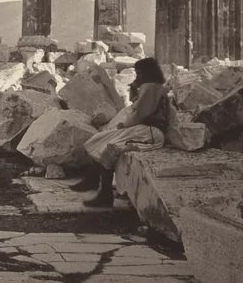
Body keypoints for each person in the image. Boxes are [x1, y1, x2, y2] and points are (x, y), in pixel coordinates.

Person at [71, 57, 171, 207]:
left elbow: (140, 115)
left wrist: (123, 126)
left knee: (109, 146)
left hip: (149, 133)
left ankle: (103, 194)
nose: (138, 76)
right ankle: (93, 180)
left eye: (140, 73)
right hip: (144, 130)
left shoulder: (150, 88)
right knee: (99, 139)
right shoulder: (154, 87)